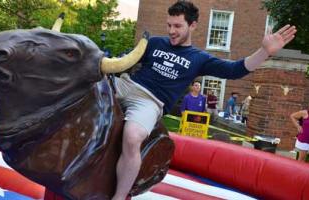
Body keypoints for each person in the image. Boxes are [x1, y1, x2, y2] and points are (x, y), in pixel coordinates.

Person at [112, 1, 296, 199]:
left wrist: (264, 51)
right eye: (169, 25)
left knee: (133, 137)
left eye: (177, 26)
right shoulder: (154, 43)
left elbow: (235, 70)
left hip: (149, 102)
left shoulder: (199, 58)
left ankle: (119, 196)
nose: (171, 31)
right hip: (125, 84)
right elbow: (125, 60)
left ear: (192, 25)